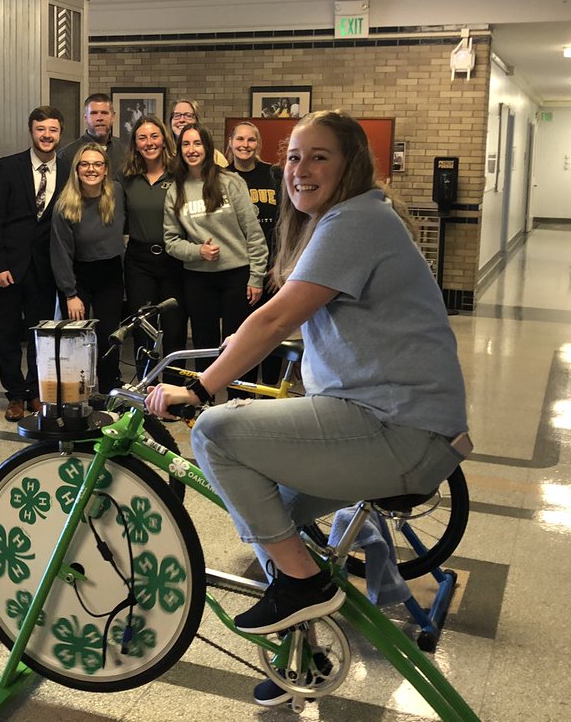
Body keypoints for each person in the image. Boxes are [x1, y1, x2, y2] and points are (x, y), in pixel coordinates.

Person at [147, 111, 468, 705]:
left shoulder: (356, 219)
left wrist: (201, 388)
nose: (300, 169)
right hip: (395, 422)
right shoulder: (345, 220)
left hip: (397, 428)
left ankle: (304, 587)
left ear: (351, 164)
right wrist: (232, 353)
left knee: (215, 432)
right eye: (293, 157)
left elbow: (274, 318)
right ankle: (304, 655)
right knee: (274, 524)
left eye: (318, 156)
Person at [163, 124, 267, 397]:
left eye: (197, 143)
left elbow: (253, 234)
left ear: (208, 148)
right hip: (198, 278)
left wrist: (256, 276)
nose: (192, 150)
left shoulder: (230, 182)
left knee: (238, 343)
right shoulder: (176, 189)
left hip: (236, 275)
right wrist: (198, 252)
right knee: (204, 343)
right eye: (186, 144)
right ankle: (203, 401)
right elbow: (171, 241)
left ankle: (240, 400)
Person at [0, 106, 71, 421]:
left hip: (45, 270)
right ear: (31, 131)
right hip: (8, 267)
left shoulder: (68, 171)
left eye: (52, 129)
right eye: (41, 129)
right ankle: (14, 396)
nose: (46, 135)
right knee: (8, 335)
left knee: (39, 335)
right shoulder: (7, 168)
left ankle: (35, 392)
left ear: (60, 133)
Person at [51, 144, 127, 393]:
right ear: (77, 169)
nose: (91, 169)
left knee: (108, 337)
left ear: (106, 170)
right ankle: (75, 393)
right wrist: (70, 294)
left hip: (110, 275)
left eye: (97, 164)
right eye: (85, 164)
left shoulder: (116, 192)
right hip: (78, 277)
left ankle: (108, 391)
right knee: (76, 338)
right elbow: (60, 252)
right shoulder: (65, 204)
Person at [122, 114, 187, 377]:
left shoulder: (179, 175)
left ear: (164, 140)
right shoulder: (126, 178)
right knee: (143, 328)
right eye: (142, 138)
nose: (149, 142)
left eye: (154, 136)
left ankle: (172, 390)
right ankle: (146, 388)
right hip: (139, 261)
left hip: (174, 259)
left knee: (174, 329)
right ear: (135, 144)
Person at [227, 121, 285, 387]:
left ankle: (269, 392)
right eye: (240, 140)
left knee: (272, 333)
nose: (245, 145)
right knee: (244, 334)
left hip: (274, 269)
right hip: (239, 268)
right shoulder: (222, 177)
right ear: (230, 142)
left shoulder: (274, 175)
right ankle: (243, 393)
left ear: (258, 144)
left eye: (251, 140)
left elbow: (289, 222)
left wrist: (282, 264)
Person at [59, 93, 125, 172]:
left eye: (104, 113)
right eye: (94, 113)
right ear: (85, 118)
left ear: (113, 117)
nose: (99, 118)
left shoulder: (125, 151)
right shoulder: (67, 155)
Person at [168, 98, 228, 167]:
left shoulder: (215, 157)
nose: (182, 120)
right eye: (177, 115)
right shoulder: (164, 154)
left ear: (197, 121)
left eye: (188, 115)